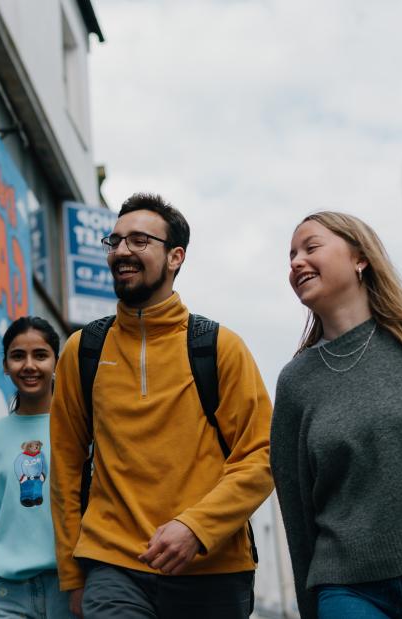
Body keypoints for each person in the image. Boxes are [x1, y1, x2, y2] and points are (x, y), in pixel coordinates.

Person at [49, 193, 274, 618]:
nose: (121, 252)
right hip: (114, 568)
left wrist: (197, 527)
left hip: (214, 569)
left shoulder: (219, 347)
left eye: (138, 241)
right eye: (114, 242)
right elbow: (65, 467)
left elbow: (261, 456)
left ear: (175, 257)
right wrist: (73, 574)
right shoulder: (83, 351)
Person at [272, 212, 402, 618]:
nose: (296, 261)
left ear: (360, 258)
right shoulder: (296, 382)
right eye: (291, 255)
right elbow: (296, 512)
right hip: (347, 588)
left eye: (311, 248)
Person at [0, 316, 70, 618]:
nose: (29, 365)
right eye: (18, 356)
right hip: (7, 597)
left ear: (57, 362)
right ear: (5, 365)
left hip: (71, 592)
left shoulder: (79, 430)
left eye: (41, 355)